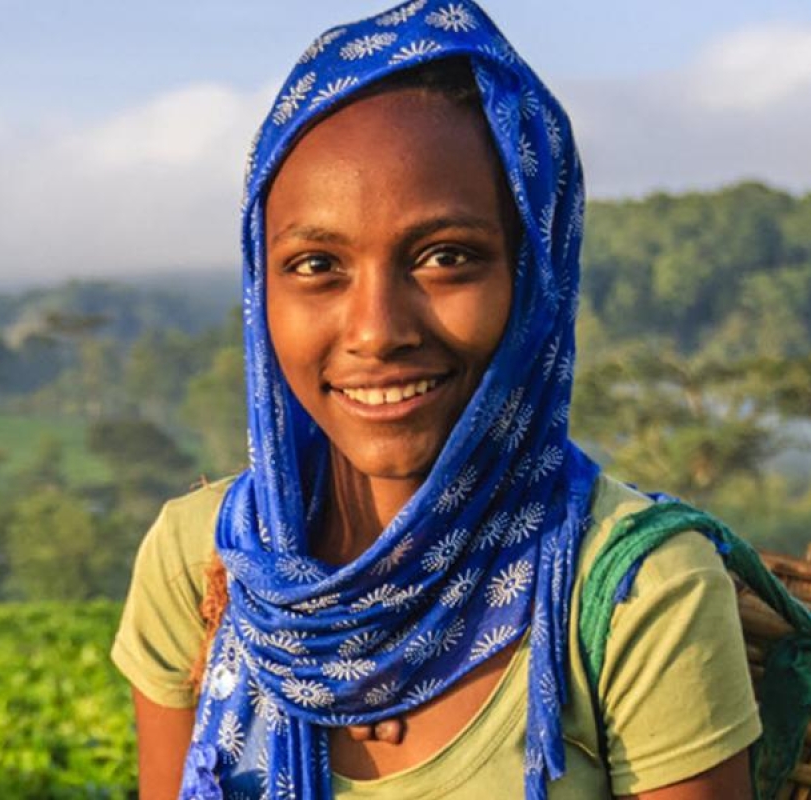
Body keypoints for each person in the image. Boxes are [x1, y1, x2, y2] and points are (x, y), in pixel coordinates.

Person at [112, 2, 760, 798]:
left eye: (446, 257)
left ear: (535, 280)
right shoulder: (205, 565)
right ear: (261, 287)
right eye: (317, 265)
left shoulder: (639, 595)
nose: (377, 330)